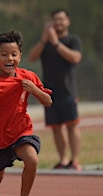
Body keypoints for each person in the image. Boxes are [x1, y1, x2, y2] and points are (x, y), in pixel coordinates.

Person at [0, 31, 52, 196]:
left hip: (20, 132)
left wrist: (34, 90)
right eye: (4, 55)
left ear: (20, 56)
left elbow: (48, 101)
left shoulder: (28, 77)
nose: (9, 59)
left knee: (32, 160)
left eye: (14, 54)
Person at [28, 9, 83, 171]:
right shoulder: (45, 42)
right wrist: (45, 40)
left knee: (72, 125)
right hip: (49, 93)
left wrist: (57, 43)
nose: (58, 23)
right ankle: (63, 160)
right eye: (55, 20)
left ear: (68, 21)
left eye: (61, 19)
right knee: (56, 127)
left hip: (68, 91)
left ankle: (75, 161)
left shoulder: (72, 40)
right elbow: (32, 57)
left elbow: (75, 58)